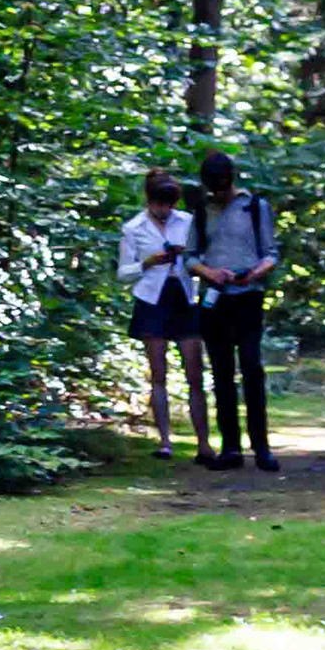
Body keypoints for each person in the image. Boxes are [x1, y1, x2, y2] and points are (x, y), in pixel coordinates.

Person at [187, 151, 281, 471]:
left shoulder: (255, 207)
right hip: (215, 298)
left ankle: (262, 447)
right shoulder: (201, 210)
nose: (219, 192)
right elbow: (189, 257)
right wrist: (209, 272)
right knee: (221, 372)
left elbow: (271, 254)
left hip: (248, 296)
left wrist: (255, 272)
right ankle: (231, 448)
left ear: (232, 178)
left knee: (252, 368)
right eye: (213, 187)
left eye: (223, 185)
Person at [118, 168, 212, 464]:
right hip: (151, 300)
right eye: (160, 204)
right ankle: (165, 442)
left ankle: (204, 444)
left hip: (183, 297)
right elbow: (123, 274)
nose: (165, 210)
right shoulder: (133, 228)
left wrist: (187, 257)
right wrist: (148, 262)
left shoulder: (187, 222)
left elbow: (204, 258)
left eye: (170, 204)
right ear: (149, 199)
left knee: (194, 373)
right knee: (158, 374)